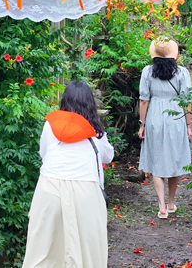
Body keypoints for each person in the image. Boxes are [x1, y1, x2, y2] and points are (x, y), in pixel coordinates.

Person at [23, 81, 114, 268]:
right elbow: (108, 156)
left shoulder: (50, 125)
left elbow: (43, 154)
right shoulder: (96, 131)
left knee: (44, 249)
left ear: (64, 101)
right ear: (90, 103)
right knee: (87, 250)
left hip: (49, 188)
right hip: (85, 191)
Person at [137, 39, 192, 219]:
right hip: (175, 116)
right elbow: (187, 101)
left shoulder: (147, 72)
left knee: (157, 160)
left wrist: (142, 124)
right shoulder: (182, 72)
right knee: (174, 158)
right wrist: (189, 125)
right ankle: (171, 202)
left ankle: (161, 206)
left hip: (154, 117)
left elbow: (144, 100)